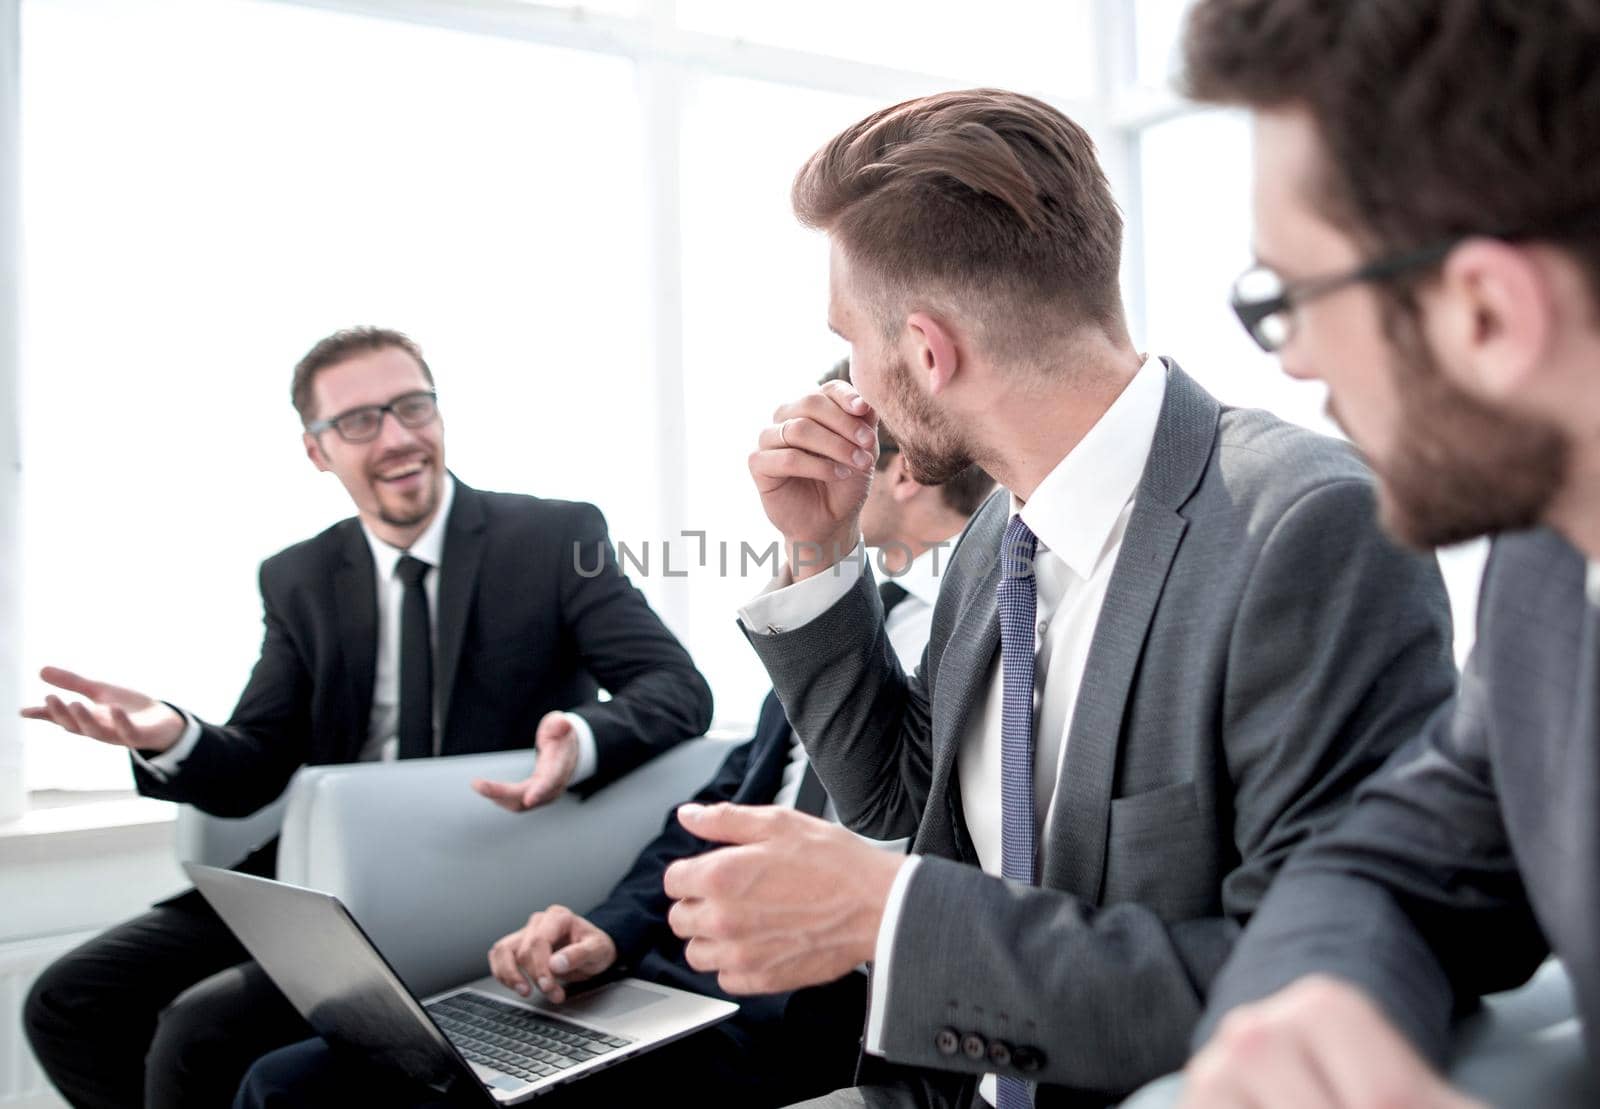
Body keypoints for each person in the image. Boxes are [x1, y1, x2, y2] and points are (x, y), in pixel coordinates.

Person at [658, 88, 1460, 1107]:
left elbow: (1308, 985)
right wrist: (817, 547)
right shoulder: (1002, 530)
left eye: (850, 338)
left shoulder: (1306, 528)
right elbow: (902, 799)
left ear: (927, 350)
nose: (847, 378)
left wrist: (891, 916)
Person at [231, 359, 995, 1107]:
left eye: (827, 440)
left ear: (898, 470)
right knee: (287, 1078)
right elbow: (714, 808)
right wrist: (605, 930)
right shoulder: (836, 621)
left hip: (790, 1013)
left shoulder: (973, 642)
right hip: (669, 979)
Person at [20, 326, 714, 1109]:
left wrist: (579, 739)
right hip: (309, 881)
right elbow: (257, 762)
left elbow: (676, 686)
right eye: (359, 421)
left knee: (195, 1033)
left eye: (413, 405)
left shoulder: (552, 537)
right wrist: (168, 734)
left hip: (461, 876)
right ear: (317, 451)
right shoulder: (300, 577)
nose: (397, 436)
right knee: (66, 1002)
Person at [1160, 3, 1600, 1106]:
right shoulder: (1546, 570)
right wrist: (1319, 1016)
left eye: (1288, 297)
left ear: (1486, 312)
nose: (1295, 360)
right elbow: (1391, 862)